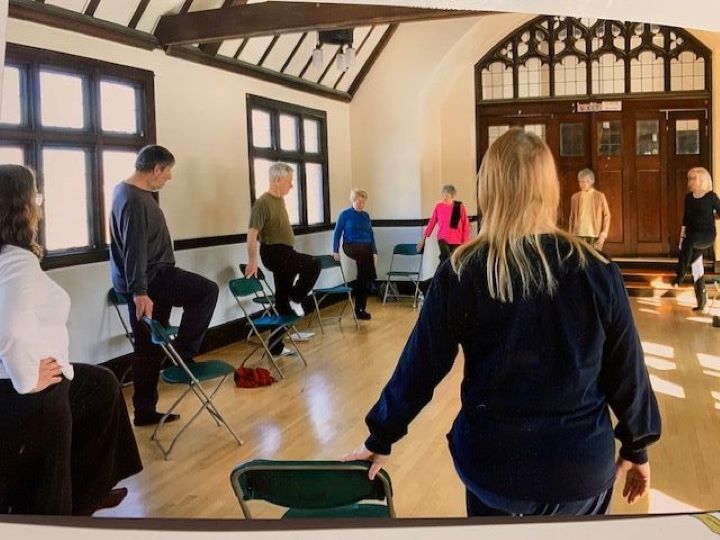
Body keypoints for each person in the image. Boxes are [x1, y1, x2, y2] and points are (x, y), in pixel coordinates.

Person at [343, 128, 661, 517]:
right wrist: (636, 446)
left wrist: (381, 436)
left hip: (494, 468)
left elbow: (420, 366)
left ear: (489, 189)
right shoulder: (597, 271)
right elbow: (627, 372)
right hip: (579, 467)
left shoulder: (462, 271)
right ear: (551, 188)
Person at [0, 164, 142, 515]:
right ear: (20, 207)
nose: (40, 207)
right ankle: (64, 512)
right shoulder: (16, 262)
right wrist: (26, 378)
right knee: (49, 483)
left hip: (32, 379)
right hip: (29, 391)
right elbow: (11, 326)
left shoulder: (8, 257)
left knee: (102, 385)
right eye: (36, 197)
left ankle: (88, 491)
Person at [110, 145, 219, 427]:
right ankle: (182, 355)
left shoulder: (129, 193)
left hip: (149, 280)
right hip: (153, 280)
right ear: (156, 169)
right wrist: (140, 291)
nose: (169, 177)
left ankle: (145, 411)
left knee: (146, 349)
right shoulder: (133, 199)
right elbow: (133, 249)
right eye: (168, 171)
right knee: (206, 291)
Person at [245, 162, 321, 354]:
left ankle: (275, 346)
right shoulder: (262, 202)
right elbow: (252, 234)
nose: (291, 185)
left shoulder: (279, 200)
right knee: (313, 263)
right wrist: (252, 261)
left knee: (282, 305)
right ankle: (295, 296)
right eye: (289, 181)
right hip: (275, 253)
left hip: (285, 253)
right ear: (277, 180)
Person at [672, 167, 720, 311]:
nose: (690, 181)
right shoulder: (689, 198)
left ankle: (680, 275)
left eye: (693, 178)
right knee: (697, 268)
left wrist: (714, 215)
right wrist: (681, 239)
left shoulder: (711, 196)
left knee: (690, 240)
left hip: (707, 235)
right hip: (691, 239)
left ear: (702, 180)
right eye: (689, 178)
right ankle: (701, 302)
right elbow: (685, 220)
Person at [333, 189, 378, 320]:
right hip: (350, 246)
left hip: (366, 250)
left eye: (363, 202)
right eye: (359, 201)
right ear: (353, 200)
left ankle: (360, 309)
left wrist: (375, 252)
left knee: (362, 278)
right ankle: (373, 280)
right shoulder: (344, 215)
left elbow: (371, 235)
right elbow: (337, 233)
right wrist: (335, 250)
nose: (361, 204)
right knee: (365, 271)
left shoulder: (366, 216)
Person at [417, 184, 471, 263]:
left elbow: (465, 225)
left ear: (452, 195)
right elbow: (432, 222)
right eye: (443, 195)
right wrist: (423, 239)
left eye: (447, 195)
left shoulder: (459, 206)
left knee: (454, 261)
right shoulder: (438, 207)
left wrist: (465, 242)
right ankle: (440, 274)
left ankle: (446, 274)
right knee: (445, 258)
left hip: (457, 240)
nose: (444, 197)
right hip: (443, 238)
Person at [568, 168, 611, 250]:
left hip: (594, 235)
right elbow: (572, 217)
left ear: (592, 181)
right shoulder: (575, 197)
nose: (583, 184)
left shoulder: (600, 196)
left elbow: (607, 215)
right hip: (578, 235)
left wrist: (603, 234)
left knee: (593, 259)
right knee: (579, 260)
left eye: (586, 181)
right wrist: (570, 234)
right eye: (581, 181)